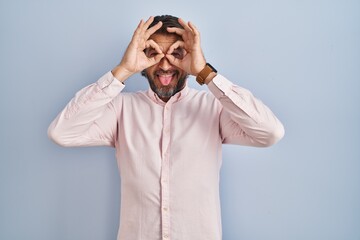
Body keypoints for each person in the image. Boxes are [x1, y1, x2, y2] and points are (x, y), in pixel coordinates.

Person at [48, 15, 284, 240]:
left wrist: (205, 72)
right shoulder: (121, 109)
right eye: (153, 53)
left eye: (176, 53)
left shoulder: (213, 108)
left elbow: (270, 133)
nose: (164, 64)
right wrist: (124, 70)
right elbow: (62, 132)